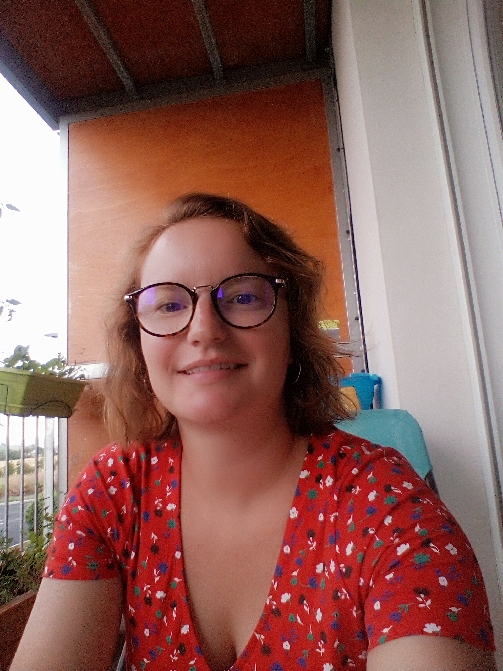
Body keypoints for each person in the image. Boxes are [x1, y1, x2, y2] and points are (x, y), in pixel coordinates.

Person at [12, 194, 495, 671]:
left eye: (243, 297)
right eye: (168, 304)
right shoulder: (114, 489)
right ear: (137, 344)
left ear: (292, 330)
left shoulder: (385, 503)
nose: (204, 329)